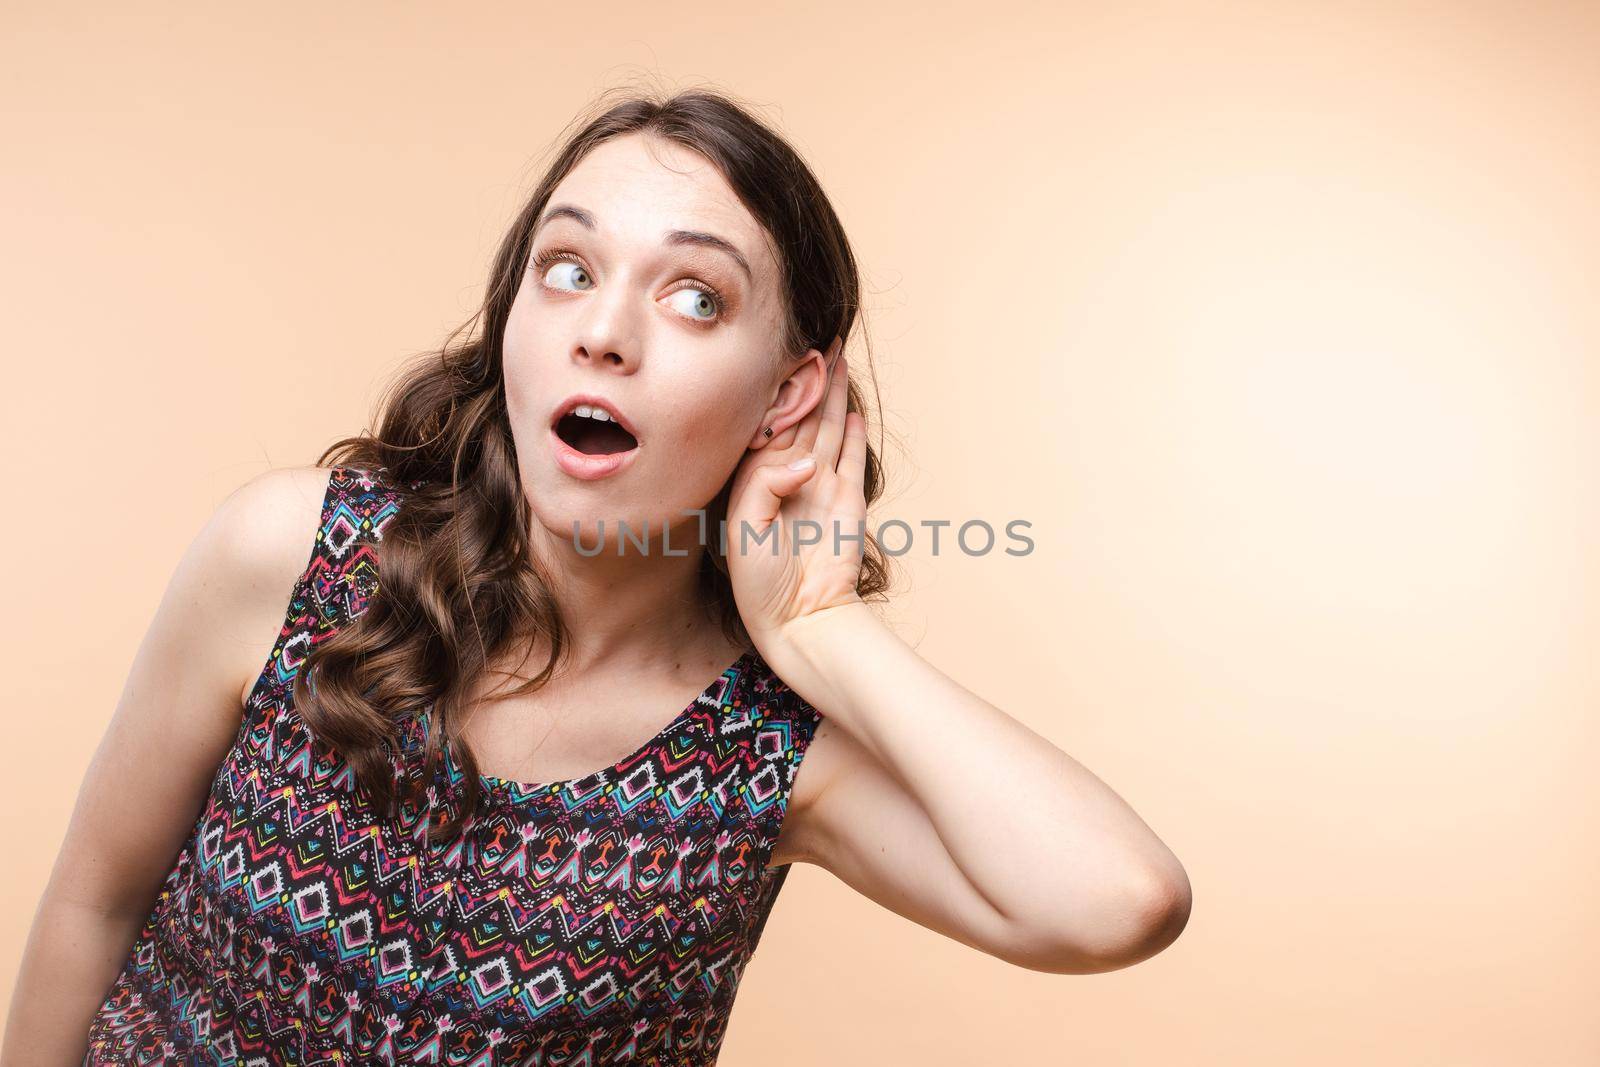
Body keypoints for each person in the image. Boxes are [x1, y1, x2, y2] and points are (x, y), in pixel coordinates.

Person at [2, 88, 1191, 1066]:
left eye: (694, 296)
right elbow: (92, 903)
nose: (604, 331)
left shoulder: (773, 753)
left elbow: (1117, 900)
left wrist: (824, 629)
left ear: (787, 396)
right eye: (566, 269)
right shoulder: (292, 555)